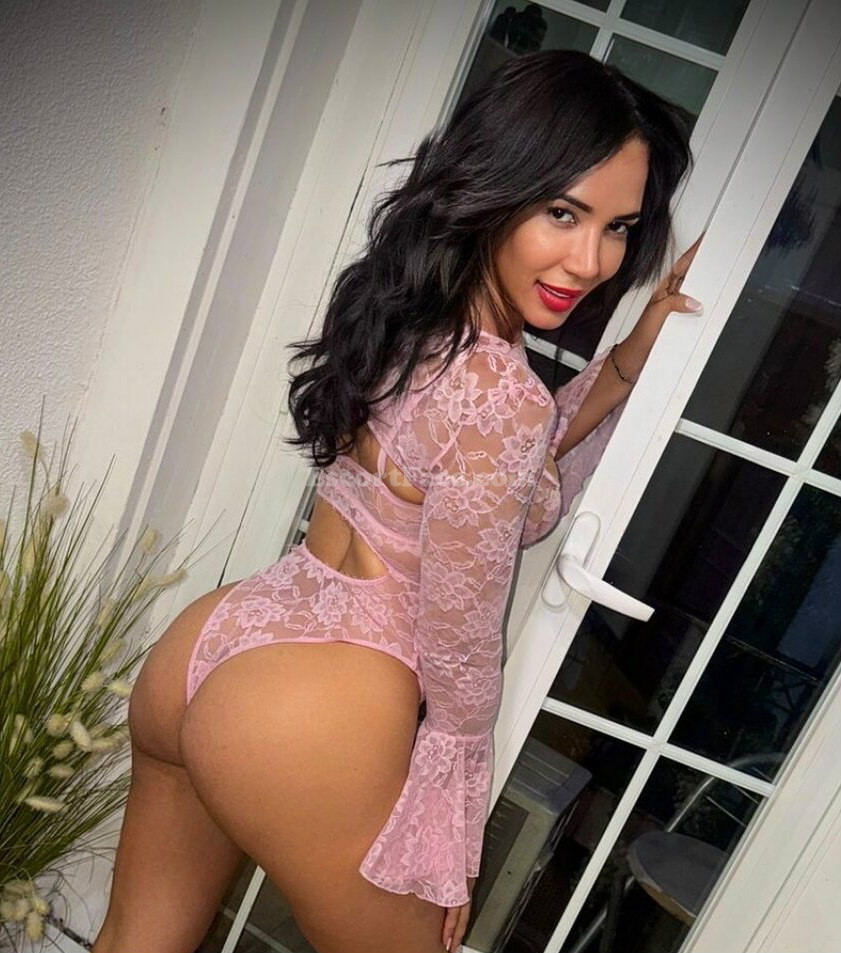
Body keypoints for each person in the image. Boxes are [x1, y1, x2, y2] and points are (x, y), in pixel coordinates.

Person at [93, 49, 700, 953]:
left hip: (216, 637)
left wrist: (621, 366)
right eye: (562, 212)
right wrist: (450, 827)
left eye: (618, 227)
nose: (590, 260)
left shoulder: (409, 316)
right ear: (498, 185)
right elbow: (459, 644)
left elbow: (511, 452)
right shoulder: (498, 392)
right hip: (315, 705)